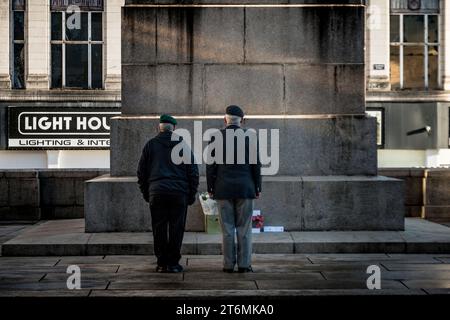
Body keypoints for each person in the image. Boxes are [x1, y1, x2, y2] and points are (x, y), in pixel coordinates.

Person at [137, 114, 199, 273]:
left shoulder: (150, 145)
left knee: (159, 228)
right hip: (179, 193)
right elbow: (193, 172)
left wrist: (147, 193)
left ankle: (161, 263)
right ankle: (173, 263)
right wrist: (191, 195)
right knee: (176, 228)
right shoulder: (182, 145)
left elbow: (141, 172)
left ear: (159, 127)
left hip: (157, 192)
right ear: (174, 128)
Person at [206, 105, 262, 273]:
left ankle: (228, 265)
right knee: (244, 228)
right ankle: (244, 265)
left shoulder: (216, 137)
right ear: (242, 121)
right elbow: (256, 165)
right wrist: (257, 186)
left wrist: (210, 187)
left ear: (225, 120)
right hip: (246, 188)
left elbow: (211, 167)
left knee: (227, 229)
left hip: (223, 189)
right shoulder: (249, 137)